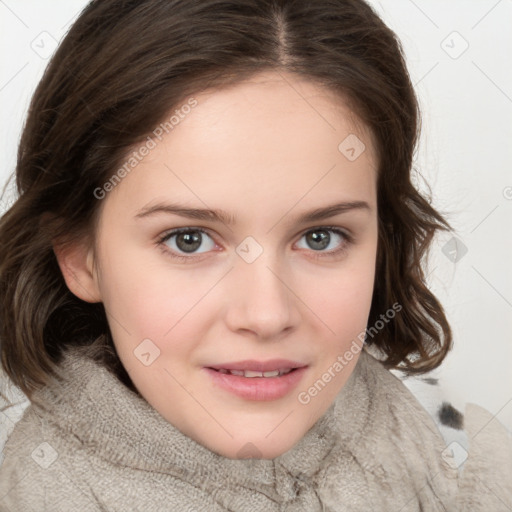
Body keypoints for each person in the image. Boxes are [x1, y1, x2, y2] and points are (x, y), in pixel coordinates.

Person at [0, 0, 510, 510]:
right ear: (79, 256)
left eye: (320, 237)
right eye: (189, 240)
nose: (266, 315)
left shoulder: (465, 454)